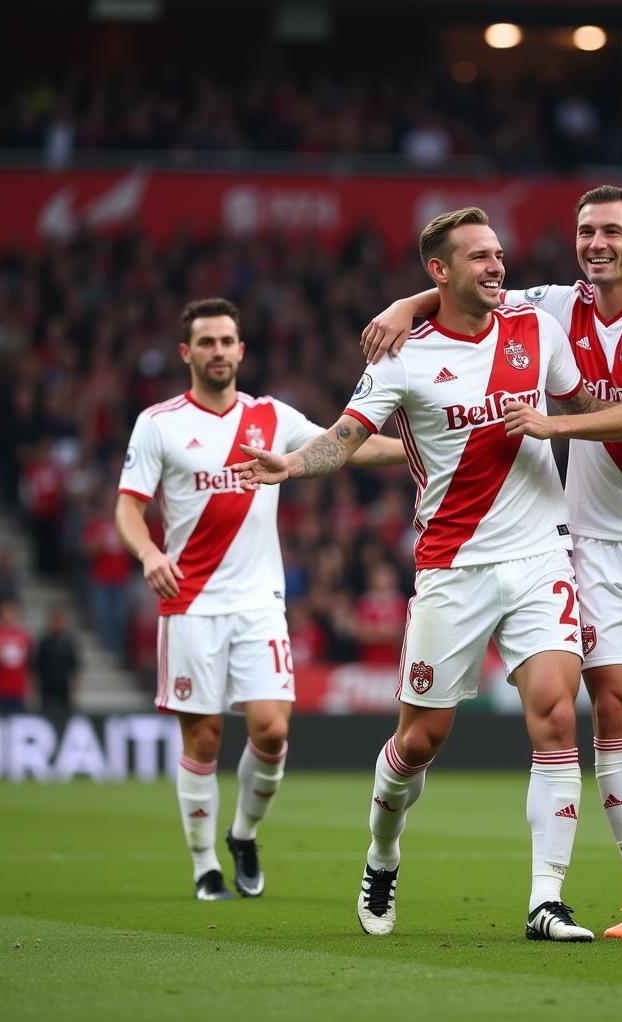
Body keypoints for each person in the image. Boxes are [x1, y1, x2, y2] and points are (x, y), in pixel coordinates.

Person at [235, 207, 614, 942]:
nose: (496, 267)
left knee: (560, 715)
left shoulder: (535, 328)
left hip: (541, 554)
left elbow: (584, 402)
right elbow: (346, 438)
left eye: (498, 253)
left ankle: (546, 900)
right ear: (439, 271)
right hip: (453, 566)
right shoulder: (403, 356)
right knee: (419, 742)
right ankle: (382, 854)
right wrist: (291, 464)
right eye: (478, 257)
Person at [364, 185, 622, 939]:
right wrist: (406, 307)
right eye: (586, 231)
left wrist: (555, 421)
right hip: (587, 541)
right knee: (600, 714)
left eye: (611, 233)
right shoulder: (550, 306)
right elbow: (464, 285)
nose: (596, 244)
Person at [116, 297, 405, 902]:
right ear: (186, 352)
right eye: (207, 342)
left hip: (258, 603)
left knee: (272, 731)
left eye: (227, 341)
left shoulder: (271, 415)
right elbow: (128, 507)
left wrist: (422, 443)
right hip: (190, 602)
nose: (218, 351)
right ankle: (204, 868)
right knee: (202, 741)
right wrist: (148, 554)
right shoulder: (160, 423)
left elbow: (341, 444)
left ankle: (243, 833)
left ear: (241, 350)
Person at [0, 598, 33, 713]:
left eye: (12, 613)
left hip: (18, 690)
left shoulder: (23, 635)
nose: (9, 617)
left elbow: (28, 666)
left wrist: (29, 689)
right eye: (6, 613)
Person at [36, 606, 80, 713]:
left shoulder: (69, 642)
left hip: (63, 689)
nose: (58, 624)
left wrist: (74, 692)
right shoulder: (44, 642)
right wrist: (35, 692)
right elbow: (36, 668)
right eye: (56, 620)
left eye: (61, 621)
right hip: (47, 689)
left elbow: (75, 668)